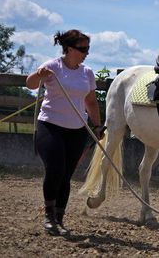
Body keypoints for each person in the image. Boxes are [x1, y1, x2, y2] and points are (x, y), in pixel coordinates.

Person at [26, 29, 104, 235]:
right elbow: (31, 84)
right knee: (56, 169)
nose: (86, 53)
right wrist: (38, 75)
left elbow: (91, 102)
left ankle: (59, 219)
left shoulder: (87, 72)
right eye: (83, 48)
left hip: (77, 129)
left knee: (66, 174)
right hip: (50, 125)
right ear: (69, 49)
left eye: (88, 48)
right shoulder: (52, 67)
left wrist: (97, 126)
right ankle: (49, 217)